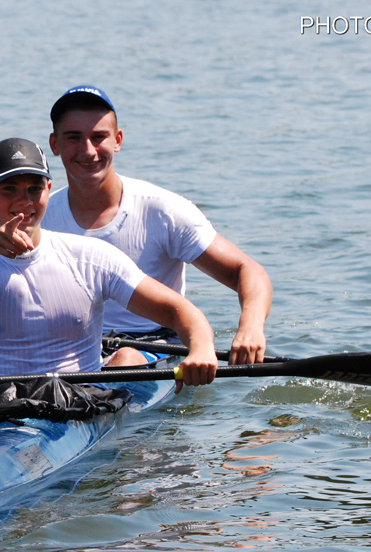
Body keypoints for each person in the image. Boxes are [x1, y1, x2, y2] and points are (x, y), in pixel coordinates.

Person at [0, 137, 218, 393]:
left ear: (48, 189)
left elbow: (181, 311)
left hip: (85, 405)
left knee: (128, 359)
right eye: (9, 189)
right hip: (5, 408)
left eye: (35, 189)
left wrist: (201, 348)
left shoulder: (91, 257)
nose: (24, 202)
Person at [44, 85, 273, 366]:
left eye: (98, 137)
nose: (88, 150)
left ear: (117, 140)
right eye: (73, 138)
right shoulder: (40, 217)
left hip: (156, 344)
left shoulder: (162, 210)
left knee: (125, 359)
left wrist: (250, 327)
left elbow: (248, 270)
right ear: (54, 145)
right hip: (77, 346)